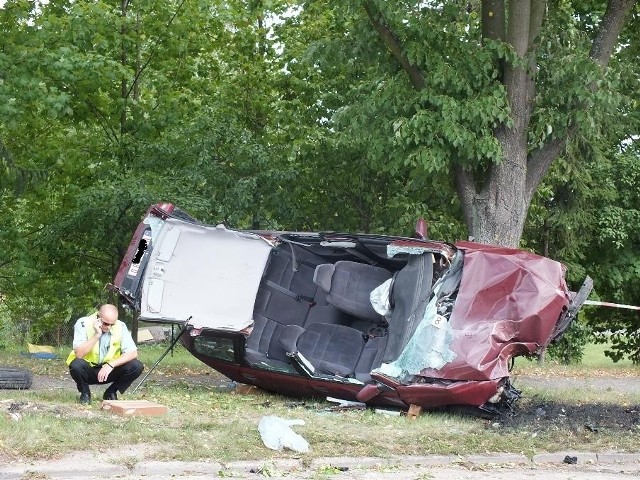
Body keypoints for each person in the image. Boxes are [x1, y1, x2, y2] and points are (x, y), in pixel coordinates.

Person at [66, 304, 144, 404]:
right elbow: (79, 354)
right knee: (76, 365)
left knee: (136, 366)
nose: (109, 327)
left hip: (108, 370)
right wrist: (97, 335)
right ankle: (85, 393)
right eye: (106, 324)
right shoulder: (83, 323)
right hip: (88, 370)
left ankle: (111, 392)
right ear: (98, 317)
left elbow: (133, 353)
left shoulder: (121, 326)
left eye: (112, 324)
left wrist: (111, 365)